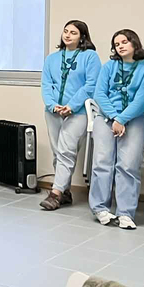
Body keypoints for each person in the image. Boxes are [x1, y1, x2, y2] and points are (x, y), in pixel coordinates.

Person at [89, 29, 144, 230]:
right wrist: (113, 117)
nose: (120, 46)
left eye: (125, 42)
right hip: (107, 117)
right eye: (117, 44)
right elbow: (99, 93)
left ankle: (125, 213)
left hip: (136, 119)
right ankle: (100, 209)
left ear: (135, 44)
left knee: (128, 165)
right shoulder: (109, 67)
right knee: (102, 162)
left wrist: (122, 119)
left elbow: (142, 100)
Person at [39, 20, 101, 211]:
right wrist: (52, 105)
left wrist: (71, 106)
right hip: (54, 111)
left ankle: (55, 194)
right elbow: (46, 84)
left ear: (82, 36)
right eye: (65, 31)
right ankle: (65, 191)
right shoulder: (52, 58)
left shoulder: (90, 57)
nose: (67, 35)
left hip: (79, 112)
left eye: (73, 33)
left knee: (66, 150)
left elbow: (91, 85)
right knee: (58, 152)